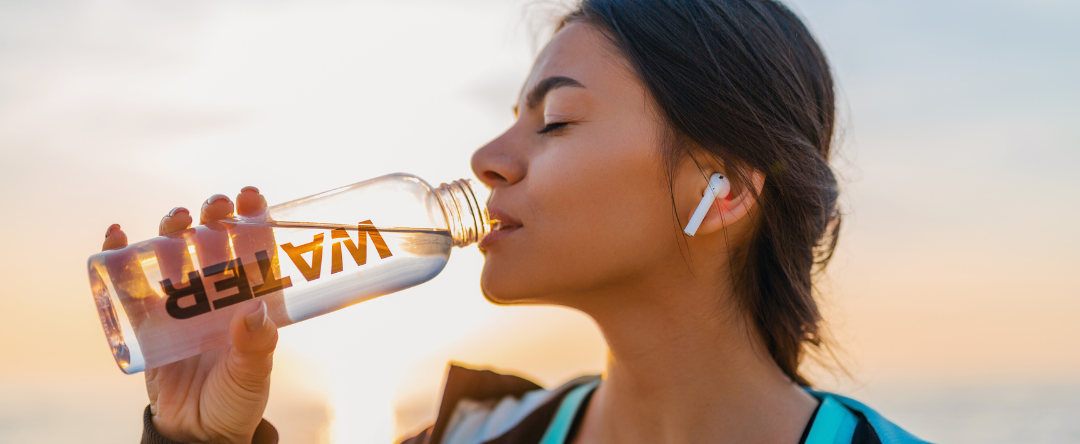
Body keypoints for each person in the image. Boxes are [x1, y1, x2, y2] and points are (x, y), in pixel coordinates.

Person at [101, 0, 931, 443]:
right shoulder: (468, 437)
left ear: (724, 189)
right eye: (510, 116)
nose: (488, 158)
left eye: (557, 120)